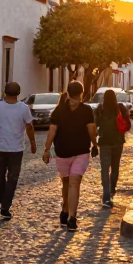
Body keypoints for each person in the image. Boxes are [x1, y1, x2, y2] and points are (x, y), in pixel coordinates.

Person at [42, 80, 97, 230]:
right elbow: (92, 130)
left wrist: (47, 150)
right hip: (70, 152)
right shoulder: (80, 110)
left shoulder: (62, 110)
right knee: (69, 183)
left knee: (72, 182)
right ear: (81, 93)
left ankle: (71, 216)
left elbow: (52, 131)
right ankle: (66, 210)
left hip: (71, 152)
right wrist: (95, 144)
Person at [0, 82, 36, 219]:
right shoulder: (23, 108)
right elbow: (29, 126)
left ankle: (4, 203)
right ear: (18, 93)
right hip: (16, 149)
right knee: (12, 178)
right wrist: (32, 142)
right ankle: (5, 205)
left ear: (5, 92)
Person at [95, 89, 130, 207]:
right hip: (118, 142)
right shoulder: (120, 108)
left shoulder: (100, 109)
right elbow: (128, 124)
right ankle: (112, 189)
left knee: (105, 169)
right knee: (115, 167)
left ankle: (106, 196)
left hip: (104, 142)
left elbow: (95, 125)